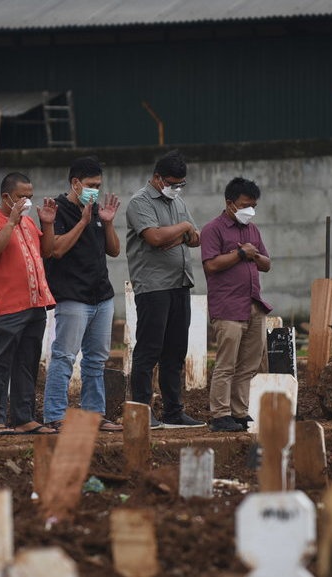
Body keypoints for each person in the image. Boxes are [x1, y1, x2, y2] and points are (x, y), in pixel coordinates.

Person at [41, 157, 125, 432]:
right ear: (75, 183)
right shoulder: (58, 210)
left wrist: (108, 223)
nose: (95, 191)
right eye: (90, 185)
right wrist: (83, 221)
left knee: (97, 360)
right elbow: (55, 249)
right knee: (65, 356)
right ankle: (55, 415)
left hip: (101, 296)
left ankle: (94, 415)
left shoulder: (96, 210)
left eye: (98, 186)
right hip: (72, 297)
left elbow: (113, 251)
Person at [125, 149, 204, 429]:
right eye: (172, 183)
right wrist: (181, 228)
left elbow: (196, 238)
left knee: (175, 351)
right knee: (149, 350)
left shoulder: (177, 202)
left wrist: (182, 235)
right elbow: (155, 237)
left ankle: (173, 410)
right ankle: (141, 410)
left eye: (180, 184)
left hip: (180, 283)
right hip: (153, 286)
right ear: (157, 178)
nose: (176, 188)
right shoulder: (139, 202)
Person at [0, 172, 58, 435]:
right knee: (0, 362)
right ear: (6, 197)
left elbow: (47, 251)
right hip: (8, 306)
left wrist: (48, 224)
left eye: (29, 197)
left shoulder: (28, 222)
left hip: (35, 303)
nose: (26, 202)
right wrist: (9, 224)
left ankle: (24, 418)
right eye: (22, 197)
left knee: (27, 361)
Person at [200, 177, 272, 432]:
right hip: (228, 307)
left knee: (249, 364)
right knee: (226, 364)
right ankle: (220, 414)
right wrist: (241, 254)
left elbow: (266, 263)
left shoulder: (252, 230)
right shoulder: (213, 229)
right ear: (230, 204)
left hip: (253, 304)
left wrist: (254, 254)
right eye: (245, 205)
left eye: (253, 205)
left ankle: (239, 412)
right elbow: (210, 265)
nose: (249, 210)